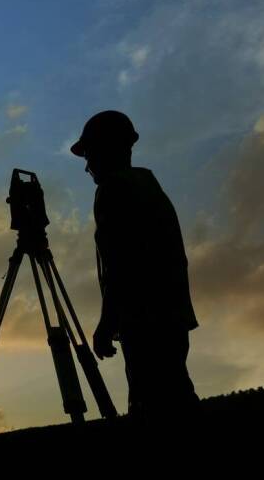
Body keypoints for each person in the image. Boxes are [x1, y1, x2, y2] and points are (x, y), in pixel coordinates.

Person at [70, 110, 200, 424]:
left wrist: (106, 323)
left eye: (89, 155)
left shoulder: (113, 190)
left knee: (154, 406)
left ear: (106, 150)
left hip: (146, 321)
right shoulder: (147, 183)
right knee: (178, 397)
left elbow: (121, 265)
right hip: (171, 315)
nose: (87, 166)